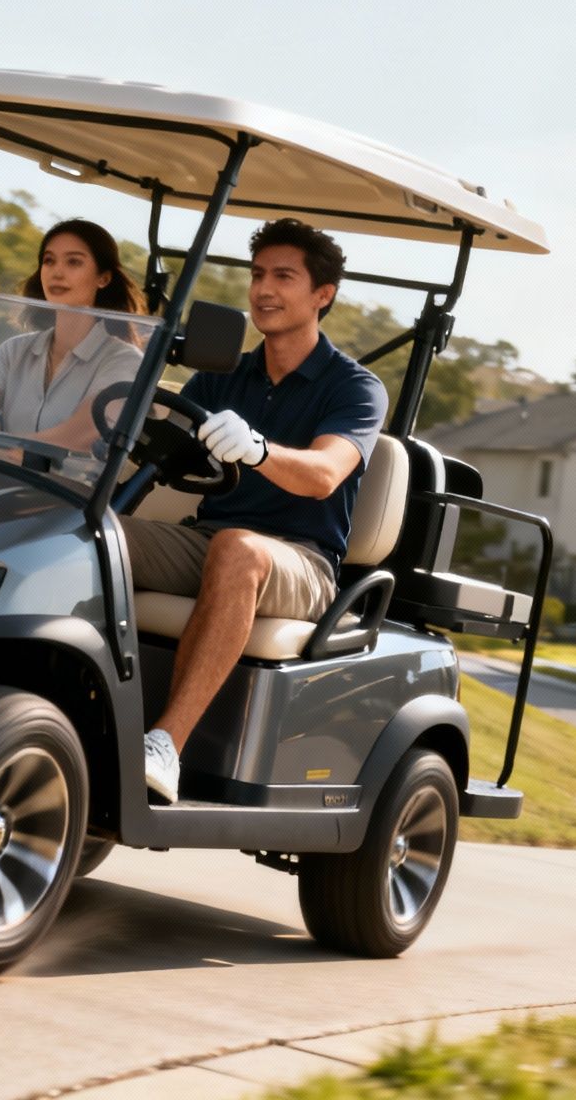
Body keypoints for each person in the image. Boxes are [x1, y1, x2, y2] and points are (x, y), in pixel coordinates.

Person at [122, 218, 387, 803]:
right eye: (258, 274)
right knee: (95, 532)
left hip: (303, 562)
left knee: (239, 549)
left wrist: (261, 450)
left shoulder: (355, 388)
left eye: (283, 277)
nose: (263, 289)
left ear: (324, 294)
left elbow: (322, 476)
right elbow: (163, 436)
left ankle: (165, 744)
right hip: (212, 539)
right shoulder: (227, 375)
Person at [0, 219, 145, 457]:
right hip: (4, 482)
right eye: (49, 261)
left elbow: (79, 436)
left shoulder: (123, 361)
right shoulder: (13, 351)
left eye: (73, 262)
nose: (57, 272)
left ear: (103, 278)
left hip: (70, 492)